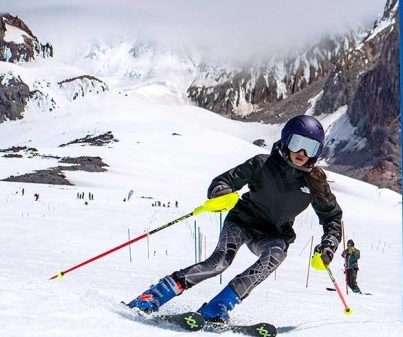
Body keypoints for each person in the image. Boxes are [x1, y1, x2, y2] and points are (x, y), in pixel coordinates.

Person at [126, 115, 343, 322]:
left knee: (275, 255)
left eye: (311, 147)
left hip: (273, 234)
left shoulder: (315, 183)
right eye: (297, 143)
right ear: (286, 140)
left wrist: (329, 245)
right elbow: (224, 181)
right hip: (242, 222)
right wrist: (221, 193)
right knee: (219, 263)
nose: (302, 152)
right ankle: (154, 295)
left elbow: (332, 217)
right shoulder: (261, 164)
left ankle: (218, 305)